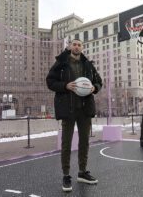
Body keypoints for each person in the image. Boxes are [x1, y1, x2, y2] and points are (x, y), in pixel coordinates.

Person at [46, 39, 102, 192]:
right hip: (68, 109)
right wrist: (64, 86)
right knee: (66, 143)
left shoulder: (88, 64)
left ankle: (82, 172)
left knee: (84, 142)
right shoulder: (61, 62)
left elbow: (99, 82)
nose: (77, 46)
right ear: (70, 46)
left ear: (82, 47)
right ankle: (66, 175)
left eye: (79, 44)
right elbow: (50, 81)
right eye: (74, 44)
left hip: (84, 109)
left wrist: (94, 88)